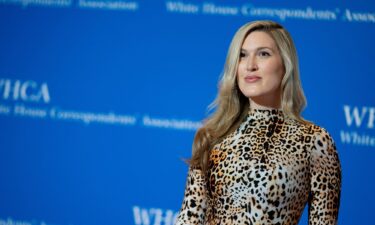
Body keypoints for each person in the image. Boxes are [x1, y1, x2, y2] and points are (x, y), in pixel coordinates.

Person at [175, 20, 341, 225]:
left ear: (285, 65)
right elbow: (189, 217)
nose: (250, 65)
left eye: (263, 54)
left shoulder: (315, 141)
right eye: (242, 55)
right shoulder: (213, 135)